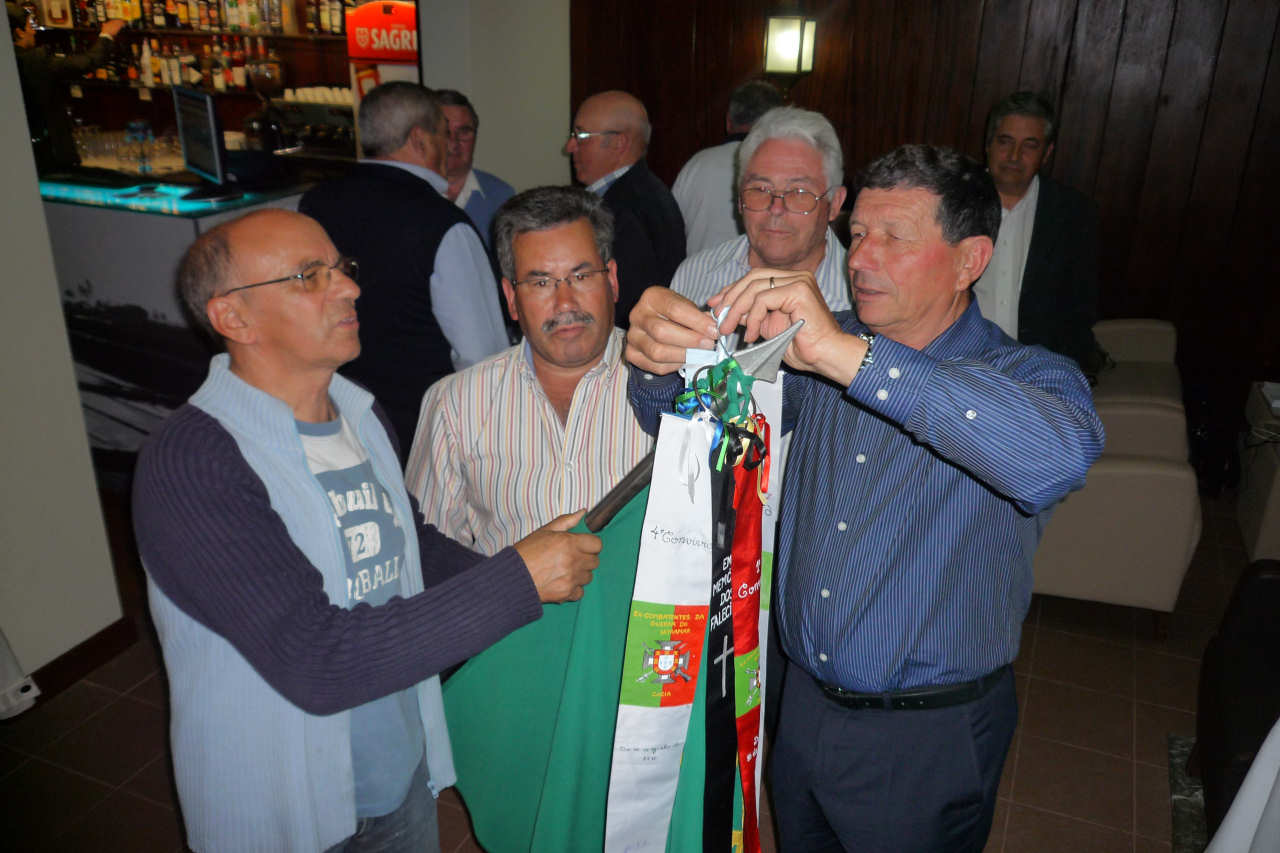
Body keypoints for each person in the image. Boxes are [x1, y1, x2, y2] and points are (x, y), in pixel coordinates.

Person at [626, 144, 1104, 852]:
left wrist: (849, 358)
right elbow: (688, 417)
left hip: (928, 734)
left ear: (970, 260)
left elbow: (1052, 459)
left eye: (894, 238)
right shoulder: (828, 341)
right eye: (858, 234)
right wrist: (663, 355)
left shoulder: (1026, 372)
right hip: (801, 705)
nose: (860, 258)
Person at [132, 207, 602, 853]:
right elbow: (315, 658)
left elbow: (411, 545)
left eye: (342, 269)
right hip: (287, 808)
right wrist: (518, 579)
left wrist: (547, 584)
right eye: (309, 276)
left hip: (396, 776)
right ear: (233, 317)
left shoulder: (358, 413)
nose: (350, 287)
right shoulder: (195, 460)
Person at [406, 185, 651, 554]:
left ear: (612, 280)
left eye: (581, 276)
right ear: (511, 298)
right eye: (541, 283)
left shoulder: (673, 386)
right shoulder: (455, 405)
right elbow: (425, 554)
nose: (565, 302)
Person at [299, 82, 509, 459]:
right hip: (419, 435)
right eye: (443, 134)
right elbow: (483, 359)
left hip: (332, 416)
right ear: (420, 139)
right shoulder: (443, 224)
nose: (449, 146)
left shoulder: (313, 204)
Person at [669, 106, 850, 314]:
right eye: (760, 189)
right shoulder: (695, 276)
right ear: (739, 198)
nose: (776, 208)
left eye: (798, 192)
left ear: (835, 203)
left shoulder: (858, 297)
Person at [975, 90, 1107, 376]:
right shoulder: (952, 202)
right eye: (1005, 142)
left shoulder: (1073, 214)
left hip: (1038, 371)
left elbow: (1081, 309)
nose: (1014, 156)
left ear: (1046, 154)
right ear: (988, 145)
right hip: (960, 364)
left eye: (1029, 146)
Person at [564, 89, 685, 328]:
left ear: (619, 143)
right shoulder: (643, 192)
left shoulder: (625, 209)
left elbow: (624, 304)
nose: (570, 146)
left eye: (581, 135)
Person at [671, 80, 784, 255]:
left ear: (728, 122)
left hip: (696, 270)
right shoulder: (784, 168)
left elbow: (670, 229)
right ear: (778, 124)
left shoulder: (697, 164)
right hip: (761, 270)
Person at [9, 2, 125, 173]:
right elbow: (87, 62)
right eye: (29, 26)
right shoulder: (32, 61)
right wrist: (106, 34)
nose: (33, 31)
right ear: (19, 32)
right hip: (48, 156)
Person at [435, 88, 515, 248]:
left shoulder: (502, 196)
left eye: (464, 132)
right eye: (445, 132)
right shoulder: (408, 195)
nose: (454, 143)